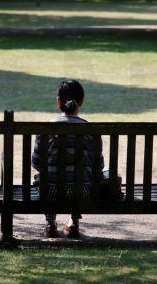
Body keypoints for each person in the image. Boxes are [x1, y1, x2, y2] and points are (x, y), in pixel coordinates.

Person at [31, 80, 104, 238]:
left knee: (45, 179)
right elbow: (98, 165)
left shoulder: (45, 129)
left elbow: (36, 163)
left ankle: (50, 223)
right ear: (81, 102)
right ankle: (73, 222)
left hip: (49, 190)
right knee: (81, 178)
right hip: (82, 191)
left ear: (58, 101)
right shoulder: (90, 130)